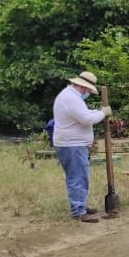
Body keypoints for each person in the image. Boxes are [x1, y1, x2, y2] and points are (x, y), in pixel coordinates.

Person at [52, 71, 111, 223]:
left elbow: (84, 113)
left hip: (73, 144)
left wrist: (98, 112)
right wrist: (102, 113)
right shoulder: (71, 98)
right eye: (88, 90)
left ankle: (80, 205)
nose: (88, 93)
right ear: (82, 86)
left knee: (79, 176)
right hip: (72, 145)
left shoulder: (71, 97)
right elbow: (86, 118)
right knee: (77, 177)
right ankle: (78, 211)